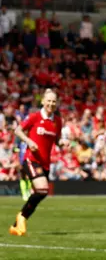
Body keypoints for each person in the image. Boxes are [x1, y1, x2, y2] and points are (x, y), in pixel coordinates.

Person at [9, 89, 62, 236]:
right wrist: (29, 141)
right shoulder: (34, 117)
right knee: (43, 189)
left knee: (41, 193)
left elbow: (57, 139)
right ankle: (22, 217)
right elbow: (18, 131)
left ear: (56, 103)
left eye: (53, 101)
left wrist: (62, 142)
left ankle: (16, 226)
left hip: (45, 162)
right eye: (49, 101)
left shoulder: (57, 121)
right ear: (43, 102)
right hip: (31, 159)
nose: (51, 104)